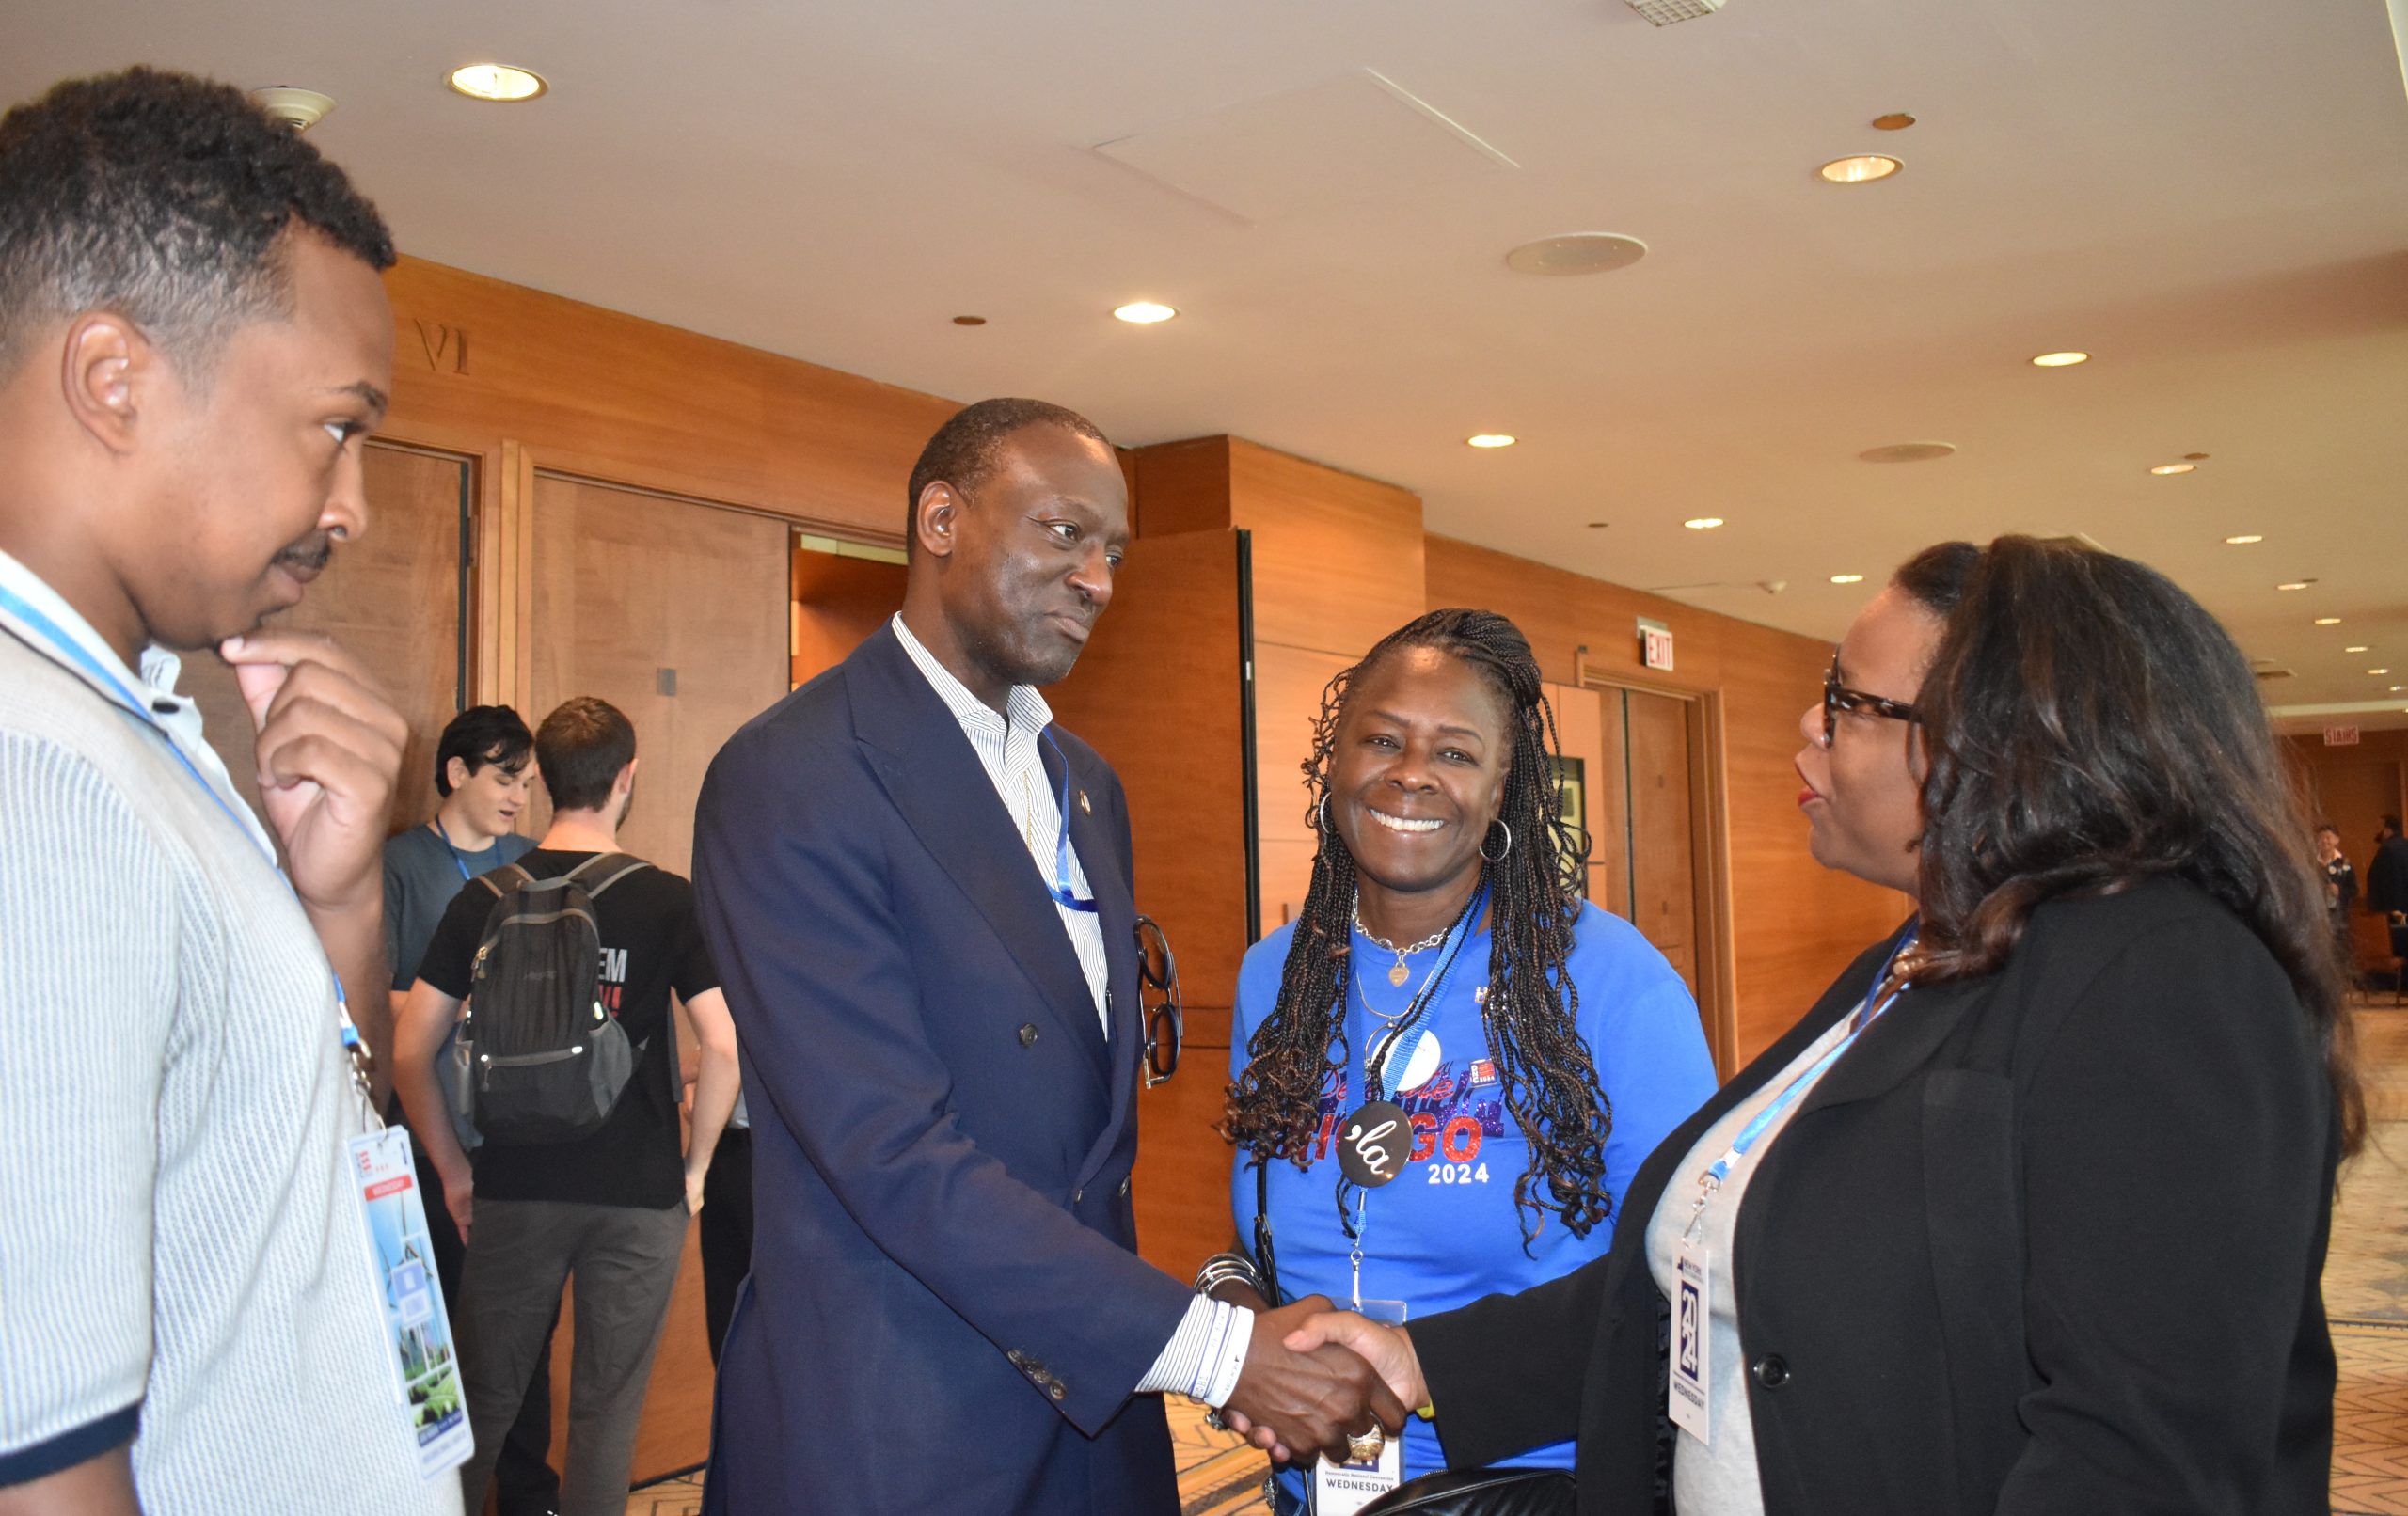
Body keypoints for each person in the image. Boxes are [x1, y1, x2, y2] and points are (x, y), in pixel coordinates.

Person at [1292, 536, 2357, 1515]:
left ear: (1988, 740)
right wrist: (1419, 1359)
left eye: (1843, 699)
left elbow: (2136, 1447)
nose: (1809, 727)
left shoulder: (2165, 981)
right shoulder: (1914, 963)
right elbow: (1702, 1276)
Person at [692, 397, 1402, 1515]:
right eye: (1064, 533)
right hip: (898, 1420)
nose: (1099, 579)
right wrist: (1216, 1351)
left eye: (1112, 551)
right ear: (940, 519)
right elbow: (890, 1152)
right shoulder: (794, 776)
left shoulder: (1088, 784)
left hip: (1092, 1423)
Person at [0, 69, 459, 1514]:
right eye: (336, 425)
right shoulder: (38, 777)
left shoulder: (128, 726)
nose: (353, 504)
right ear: (114, 380)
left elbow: (273, 1164)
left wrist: (335, 916)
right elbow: (43, 1464)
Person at [1206, 608, 1717, 1509]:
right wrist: (1240, 1320)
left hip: (1530, 1488)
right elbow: (1269, 1234)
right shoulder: (1274, 976)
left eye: (1455, 752)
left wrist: (1430, 1367)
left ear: (1503, 785)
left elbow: (1687, 1269)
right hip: (1312, 1489)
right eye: (1383, 740)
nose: (1412, 774)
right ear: (1335, 763)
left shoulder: (1608, 977)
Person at [393, 697, 741, 1516]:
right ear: (628, 778)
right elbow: (724, 1048)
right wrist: (693, 1171)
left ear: (544, 779)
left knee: (479, 1408)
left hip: (511, 1186)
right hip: (639, 1194)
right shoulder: (666, 900)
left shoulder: (483, 898)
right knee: (604, 1418)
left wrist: (451, 1172)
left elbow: (412, 1048)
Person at [380, 703, 562, 1516]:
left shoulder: (534, 863)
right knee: (432, 1328)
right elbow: (376, 1001)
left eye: (527, 781)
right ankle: (426, 1496)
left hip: (517, 1128)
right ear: (456, 773)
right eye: (503, 777)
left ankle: (527, 1495)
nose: (519, 796)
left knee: (524, 1322)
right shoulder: (401, 865)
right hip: (424, 1130)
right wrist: (472, 1006)